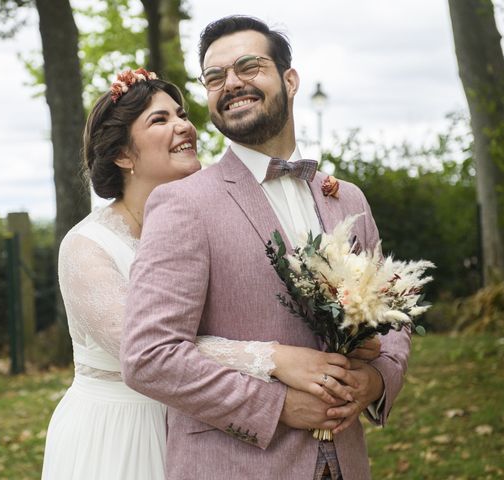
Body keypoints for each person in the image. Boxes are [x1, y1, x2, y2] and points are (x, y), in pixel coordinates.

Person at [41, 68, 371, 480]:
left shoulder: (210, 219)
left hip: (207, 427)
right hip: (123, 433)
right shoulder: (87, 247)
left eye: (181, 114)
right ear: (123, 155)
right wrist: (273, 358)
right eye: (160, 120)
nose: (184, 126)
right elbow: (144, 347)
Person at [120, 16, 411, 480]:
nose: (231, 83)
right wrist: (277, 405)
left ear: (289, 80)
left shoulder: (347, 199)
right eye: (215, 77)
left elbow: (393, 315)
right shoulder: (182, 204)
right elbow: (149, 356)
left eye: (248, 67)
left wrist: (374, 381)